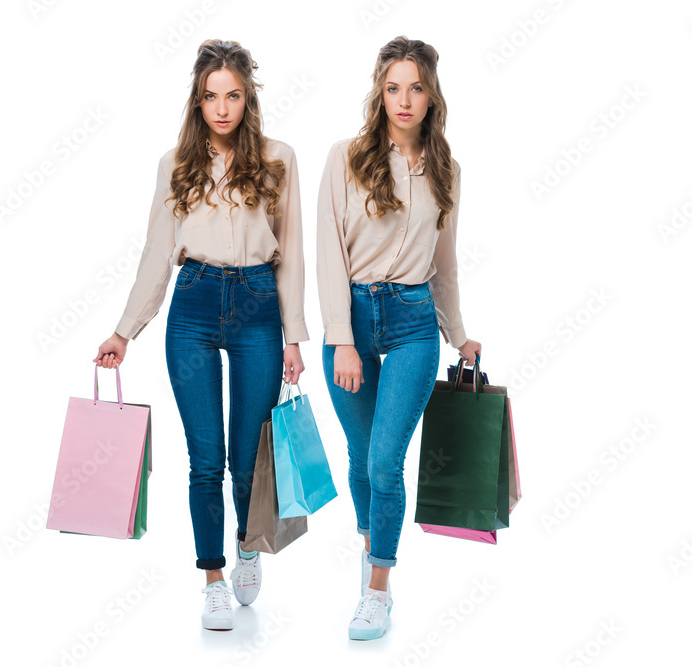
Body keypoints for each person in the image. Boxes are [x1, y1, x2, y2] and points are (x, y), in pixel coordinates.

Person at [93, 39, 308, 631]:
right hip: (192, 304)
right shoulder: (175, 164)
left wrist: (295, 334)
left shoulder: (278, 158)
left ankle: (246, 545)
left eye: (233, 96)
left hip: (259, 303)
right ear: (197, 99)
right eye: (211, 96)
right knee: (204, 459)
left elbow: (290, 254)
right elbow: (157, 252)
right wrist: (125, 331)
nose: (221, 108)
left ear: (248, 99)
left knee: (246, 458)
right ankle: (212, 578)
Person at [316, 35, 483, 641]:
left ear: (431, 93)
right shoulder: (346, 156)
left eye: (415, 87)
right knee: (362, 461)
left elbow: (445, 262)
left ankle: (379, 588)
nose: (403, 100)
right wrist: (342, 339)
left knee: (387, 460)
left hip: (414, 320)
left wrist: (458, 333)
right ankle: (371, 547)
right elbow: (329, 254)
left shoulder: (446, 171)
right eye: (392, 87)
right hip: (353, 317)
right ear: (379, 92)